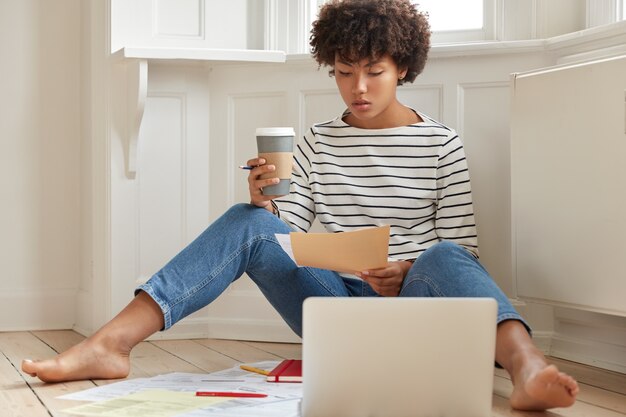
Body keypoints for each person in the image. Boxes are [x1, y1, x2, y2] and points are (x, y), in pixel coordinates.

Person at [22, 0, 578, 410]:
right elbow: (290, 234)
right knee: (250, 222)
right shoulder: (315, 141)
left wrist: (406, 270)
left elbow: (464, 255)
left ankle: (527, 368)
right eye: (343, 73)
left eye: (374, 72)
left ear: (403, 67)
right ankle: (110, 344)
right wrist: (263, 203)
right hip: (333, 305)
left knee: (446, 257)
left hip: (415, 306)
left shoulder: (442, 143)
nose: (357, 87)